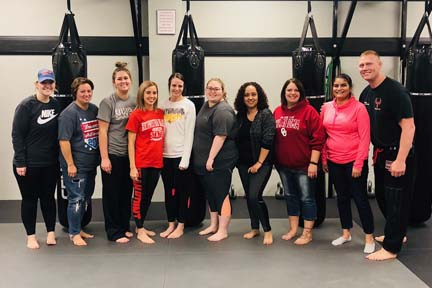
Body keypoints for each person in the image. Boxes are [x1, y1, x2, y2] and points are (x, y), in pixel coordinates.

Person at [358, 50, 415, 261]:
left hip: (397, 153)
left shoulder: (395, 92)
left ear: (380, 64)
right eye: (361, 65)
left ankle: (391, 248)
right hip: (380, 154)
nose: (365, 68)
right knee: (383, 197)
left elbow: (409, 127)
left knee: (396, 200)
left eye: (369, 64)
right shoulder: (366, 93)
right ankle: (397, 234)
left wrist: (401, 159)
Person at [321, 73, 375, 253]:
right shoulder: (326, 107)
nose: (339, 88)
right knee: (342, 198)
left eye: (343, 85)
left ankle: (369, 237)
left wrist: (359, 164)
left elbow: (365, 138)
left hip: (353, 160)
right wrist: (324, 157)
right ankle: (346, 233)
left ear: (350, 88)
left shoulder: (359, 109)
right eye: (336, 85)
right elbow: (323, 135)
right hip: (334, 160)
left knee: (360, 199)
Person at [12, 68, 60, 249]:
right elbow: (17, 136)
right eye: (44, 83)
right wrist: (20, 162)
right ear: (37, 84)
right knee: (30, 199)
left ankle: (50, 232)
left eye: (50, 83)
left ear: (54, 85)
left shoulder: (55, 105)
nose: (47, 86)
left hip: (50, 164)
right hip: (29, 164)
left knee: (48, 198)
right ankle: (31, 236)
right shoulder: (26, 106)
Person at [274, 78, 325, 245]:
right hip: (284, 166)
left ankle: (307, 232)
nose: (292, 93)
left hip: (304, 166)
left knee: (307, 198)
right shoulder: (277, 112)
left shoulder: (309, 112)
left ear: (300, 93)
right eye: (289, 90)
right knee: (290, 197)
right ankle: (293, 229)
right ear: (284, 93)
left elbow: (318, 139)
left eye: (296, 90)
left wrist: (313, 163)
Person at [192, 78, 238, 242]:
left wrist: (210, 158)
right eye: (210, 88)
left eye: (216, 89)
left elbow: (220, 136)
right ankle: (213, 225)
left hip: (220, 160)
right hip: (206, 161)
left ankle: (223, 230)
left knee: (221, 193)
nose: (212, 91)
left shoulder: (223, 111)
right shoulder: (207, 105)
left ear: (223, 91)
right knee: (211, 193)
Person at [58, 77, 99, 246]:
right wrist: (70, 164)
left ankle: (79, 228)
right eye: (82, 91)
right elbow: (64, 141)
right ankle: (74, 233)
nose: (86, 94)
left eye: (89, 91)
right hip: (76, 166)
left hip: (90, 164)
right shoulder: (69, 114)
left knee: (86, 198)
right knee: (76, 199)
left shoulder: (94, 110)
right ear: (76, 92)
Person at [98, 62, 136, 243]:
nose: (123, 81)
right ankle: (113, 231)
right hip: (112, 154)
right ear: (114, 82)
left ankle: (123, 226)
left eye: (126, 78)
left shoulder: (135, 101)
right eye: (119, 79)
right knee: (112, 194)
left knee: (125, 192)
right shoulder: (108, 102)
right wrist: (104, 158)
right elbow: (102, 131)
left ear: (131, 80)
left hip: (129, 155)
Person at [234, 82, 275, 245]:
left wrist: (259, 162)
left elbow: (268, 140)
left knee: (254, 196)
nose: (250, 98)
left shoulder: (265, 114)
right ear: (242, 98)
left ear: (259, 96)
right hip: (243, 164)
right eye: (247, 95)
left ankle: (268, 230)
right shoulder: (240, 116)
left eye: (253, 94)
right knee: (248, 197)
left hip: (262, 164)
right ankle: (254, 228)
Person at [126, 80, 164, 244]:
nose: (151, 96)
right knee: (139, 197)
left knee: (148, 196)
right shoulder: (136, 115)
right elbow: (130, 143)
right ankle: (140, 229)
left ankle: (139, 225)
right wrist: (132, 167)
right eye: (148, 93)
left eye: (154, 93)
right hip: (141, 163)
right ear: (142, 95)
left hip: (156, 163)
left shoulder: (161, 113)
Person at [159, 73, 196, 239]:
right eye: (174, 85)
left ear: (183, 87)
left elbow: (190, 133)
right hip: (164, 156)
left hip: (181, 155)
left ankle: (181, 225)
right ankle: (170, 224)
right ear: (169, 86)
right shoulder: (162, 104)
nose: (176, 88)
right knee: (168, 191)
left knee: (182, 191)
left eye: (180, 86)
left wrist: (185, 158)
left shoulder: (189, 105)